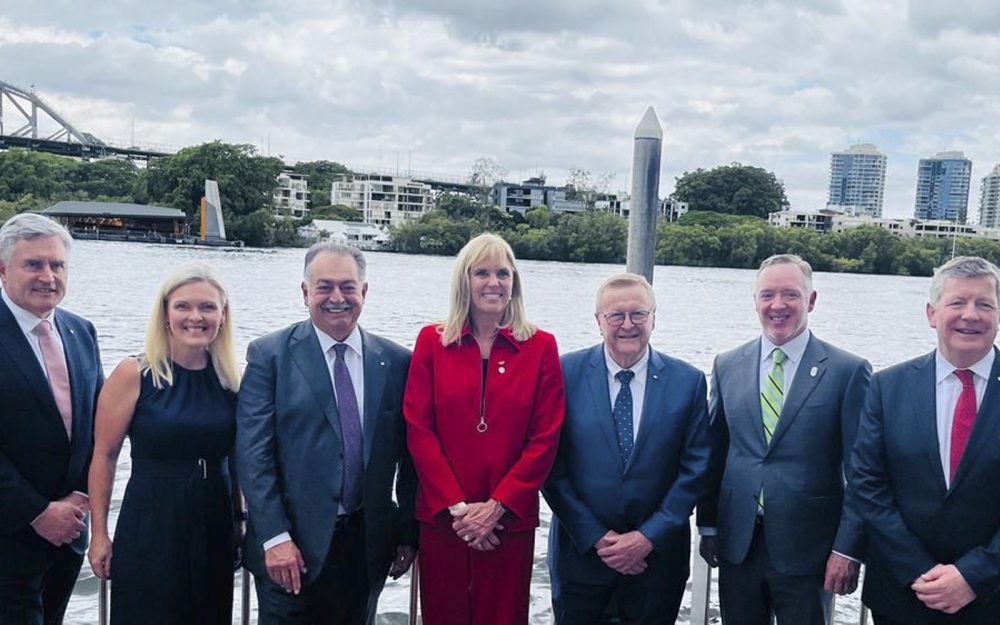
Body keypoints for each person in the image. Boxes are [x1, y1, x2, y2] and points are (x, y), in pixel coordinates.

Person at [237, 242, 416, 625]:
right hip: (290, 552)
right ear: (305, 293)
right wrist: (274, 537)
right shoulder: (269, 356)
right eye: (324, 287)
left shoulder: (397, 361)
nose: (337, 298)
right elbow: (253, 456)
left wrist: (406, 531)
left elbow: (409, 457)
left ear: (364, 291)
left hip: (365, 551)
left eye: (347, 287)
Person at [698, 253, 872, 625]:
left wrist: (848, 549)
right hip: (739, 545)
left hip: (810, 551)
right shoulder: (727, 365)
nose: (778, 305)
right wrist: (708, 526)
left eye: (790, 294)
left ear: (811, 300)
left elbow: (863, 472)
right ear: (755, 301)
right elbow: (716, 453)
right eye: (768, 295)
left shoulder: (847, 372)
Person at [404, 232, 564, 625]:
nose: (494, 283)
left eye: (503, 274)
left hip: (509, 521)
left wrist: (497, 507)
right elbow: (419, 429)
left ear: (514, 282)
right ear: (464, 280)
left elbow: (545, 438)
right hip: (445, 520)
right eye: (482, 273)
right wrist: (460, 511)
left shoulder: (541, 347)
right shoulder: (432, 342)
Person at [543, 273, 710, 624]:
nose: (628, 325)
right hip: (581, 558)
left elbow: (695, 471)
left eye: (638, 314)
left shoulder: (688, 382)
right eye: (616, 315)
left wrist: (647, 537)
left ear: (654, 318)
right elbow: (550, 465)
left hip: (657, 563)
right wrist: (597, 537)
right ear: (598, 320)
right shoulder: (562, 373)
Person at [87, 263, 241, 624]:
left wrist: (240, 522)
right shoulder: (134, 374)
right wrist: (99, 534)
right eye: (183, 306)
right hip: (151, 521)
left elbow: (239, 461)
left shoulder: (232, 380)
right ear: (165, 314)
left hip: (214, 520)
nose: (195, 317)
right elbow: (104, 455)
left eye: (207, 307)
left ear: (222, 316)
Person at [852, 256, 1000, 624]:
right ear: (932, 313)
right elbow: (869, 485)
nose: (971, 315)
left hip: (992, 598)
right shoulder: (887, 387)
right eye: (957, 302)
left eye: (984, 304)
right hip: (902, 595)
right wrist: (918, 570)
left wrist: (974, 575)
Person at [0, 213, 104, 625]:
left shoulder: (81, 332)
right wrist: (37, 512)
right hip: (8, 536)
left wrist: (82, 495)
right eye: (34, 264)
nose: (48, 276)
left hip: (68, 534)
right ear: (3, 269)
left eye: (57, 265)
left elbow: (98, 426)